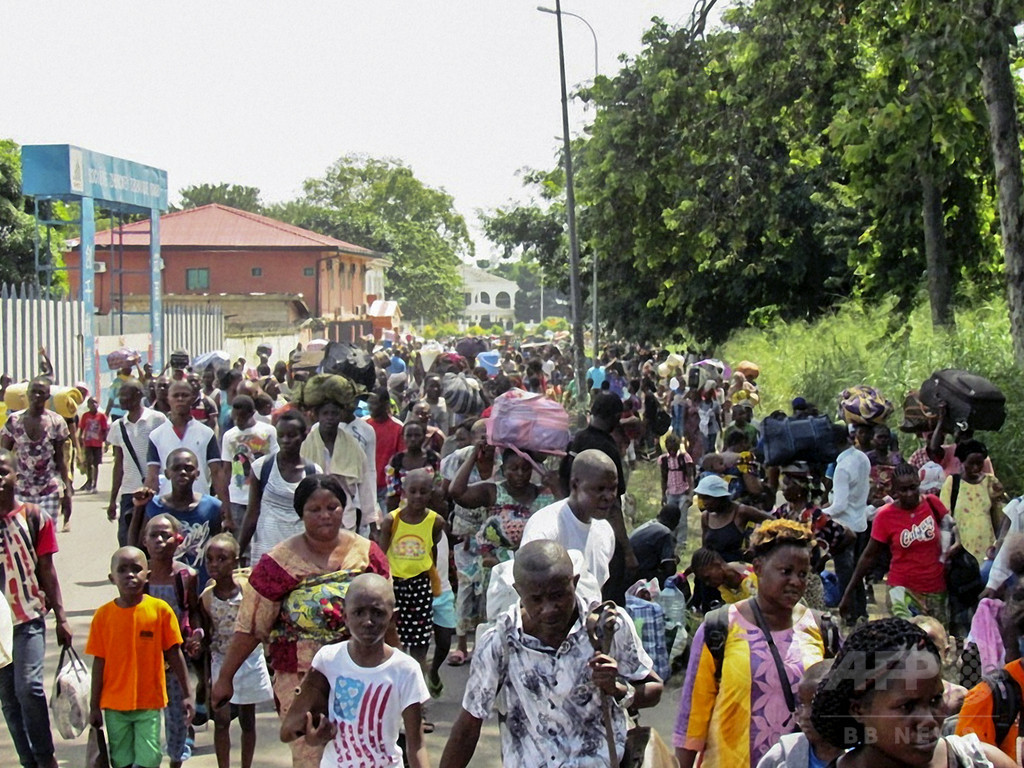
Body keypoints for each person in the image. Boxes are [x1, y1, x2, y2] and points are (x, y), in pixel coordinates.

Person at [212, 475, 390, 768]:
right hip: (301, 677)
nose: (325, 515)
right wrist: (225, 679)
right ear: (301, 513)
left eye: (332, 507)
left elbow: (387, 616)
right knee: (312, 755)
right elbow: (251, 626)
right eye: (314, 509)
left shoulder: (367, 555)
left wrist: (396, 668)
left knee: (363, 753)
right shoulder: (278, 563)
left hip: (362, 672)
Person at [441, 540, 663, 767]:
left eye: (558, 595)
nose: (548, 609)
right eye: (536, 599)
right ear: (519, 591)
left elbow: (654, 689)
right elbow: (468, 727)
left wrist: (618, 689)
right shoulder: (500, 641)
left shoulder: (608, 627)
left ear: (574, 583)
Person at [674, 519, 832, 768]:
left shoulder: (822, 629)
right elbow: (693, 715)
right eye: (786, 571)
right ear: (758, 567)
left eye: (803, 574)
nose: (796, 581)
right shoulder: (719, 627)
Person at [811, 617, 1014, 768]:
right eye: (907, 706)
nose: (928, 720)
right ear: (859, 710)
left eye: (935, 700)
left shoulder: (983, 762)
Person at [281, 573, 430, 768]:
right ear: (345, 616)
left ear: (393, 616)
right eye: (359, 612)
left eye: (378, 613)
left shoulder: (405, 669)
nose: (368, 621)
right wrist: (314, 737)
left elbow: (416, 744)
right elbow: (291, 729)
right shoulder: (328, 660)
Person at [86, 546, 194, 768]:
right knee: (121, 760)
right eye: (122, 570)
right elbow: (99, 662)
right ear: (111, 577)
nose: (130, 575)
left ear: (148, 576)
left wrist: (187, 694)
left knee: (150, 758)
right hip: (115, 705)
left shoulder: (160, 611)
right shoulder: (103, 616)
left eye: (136, 569)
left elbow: (174, 654)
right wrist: (94, 706)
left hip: (149, 702)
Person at [0, 448, 70, 768]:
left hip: (28, 617)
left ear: (16, 475)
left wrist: (61, 617)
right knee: (10, 700)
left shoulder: (34, 517)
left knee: (28, 687)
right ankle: (29, 761)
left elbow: (47, 571)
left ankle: (46, 756)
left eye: (3, 472)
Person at [189, 534, 272, 768]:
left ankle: (246, 764)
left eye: (222, 559)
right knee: (221, 719)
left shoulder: (248, 591)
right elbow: (205, 628)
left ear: (236, 562)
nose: (214, 564)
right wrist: (198, 640)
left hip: (249, 660)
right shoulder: (206, 597)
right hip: (221, 659)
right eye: (210, 559)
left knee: (247, 720)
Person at [839, 463, 955, 626]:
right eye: (903, 490)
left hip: (935, 589)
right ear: (894, 491)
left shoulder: (933, 504)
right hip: (901, 589)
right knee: (906, 641)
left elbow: (950, 529)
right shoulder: (885, 516)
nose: (909, 494)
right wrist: (848, 593)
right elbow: (868, 556)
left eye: (913, 488)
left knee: (935, 641)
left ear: (919, 484)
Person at [559, 392, 636, 605]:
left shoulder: (577, 440)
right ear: (616, 417)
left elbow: (562, 481)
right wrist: (627, 551)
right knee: (609, 592)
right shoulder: (607, 448)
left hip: (572, 525)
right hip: (601, 530)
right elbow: (612, 506)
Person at [142, 514, 201, 767]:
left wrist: (197, 635)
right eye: (154, 535)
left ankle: (176, 759)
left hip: (177, 658)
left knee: (177, 718)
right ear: (144, 542)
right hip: (146, 659)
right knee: (147, 718)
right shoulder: (139, 579)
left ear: (178, 540)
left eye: (165, 534)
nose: (159, 540)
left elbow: (194, 611)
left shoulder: (186, 576)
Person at [439, 418, 498, 665]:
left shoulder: (504, 459)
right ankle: (461, 644)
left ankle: (484, 644)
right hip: (465, 534)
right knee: (465, 587)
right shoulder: (459, 458)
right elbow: (447, 491)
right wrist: (474, 455)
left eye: (489, 435)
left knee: (489, 589)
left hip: (494, 536)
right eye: (480, 435)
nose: (485, 439)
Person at [520, 449, 618, 595]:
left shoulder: (605, 532)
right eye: (600, 489)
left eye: (613, 488)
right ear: (574, 485)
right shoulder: (545, 527)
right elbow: (528, 589)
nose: (609, 497)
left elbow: (596, 592)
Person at [380, 469, 444, 680]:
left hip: (420, 586)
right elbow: (381, 556)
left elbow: (431, 549)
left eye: (423, 492)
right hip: (394, 586)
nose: (418, 496)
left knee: (419, 642)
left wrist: (431, 577)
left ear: (430, 493)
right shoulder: (391, 521)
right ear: (404, 492)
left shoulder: (436, 521)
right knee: (393, 639)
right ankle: (394, 684)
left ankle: (418, 691)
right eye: (413, 491)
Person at [450, 444, 557, 567]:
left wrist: (555, 485)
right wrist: (474, 454)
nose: (520, 473)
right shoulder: (493, 492)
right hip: (496, 568)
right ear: (503, 470)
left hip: (534, 566)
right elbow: (456, 492)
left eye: (526, 468)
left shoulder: (543, 494)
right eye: (513, 468)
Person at [130, 447, 223, 586]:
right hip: (162, 586)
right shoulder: (154, 506)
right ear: (167, 473)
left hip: (201, 585)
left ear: (197, 473)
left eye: (188, 468)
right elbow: (136, 547)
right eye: (176, 468)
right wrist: (139, 507)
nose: (183, 472)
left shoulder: (212, 507)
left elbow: (219, 550)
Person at [238, 411, 320, 564]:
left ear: (304, 436)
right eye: (281, 435)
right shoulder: (262, 467)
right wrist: (238, 552)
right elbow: (252, 513)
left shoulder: (313, 472)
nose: (286, 440)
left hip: (299, 556)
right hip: (266, 554)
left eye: (291, 435)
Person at [773, 465, 853, 611]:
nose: (783, 488)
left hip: (807, 580)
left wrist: (826, 557)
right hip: (783, 578)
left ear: (800, 489)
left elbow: (848, 535)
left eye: (787, 484)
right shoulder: (783, 511)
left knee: (810, 622)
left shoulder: (814, 515)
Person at [299, 379, 371, 535]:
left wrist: (370, 519)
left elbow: (365, 484)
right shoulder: (306, 445)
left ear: (341, 415)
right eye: (325, 413)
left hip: (345, 515)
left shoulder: (353, 447)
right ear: (317, 416)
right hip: (314, 514)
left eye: (334, 413)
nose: (330, 418)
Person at [146, 379, 226, 519]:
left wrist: (226, 507)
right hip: (167, 505)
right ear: (168, 398)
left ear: (193, 399)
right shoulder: (156, 435)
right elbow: (152, 476)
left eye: (185, 395)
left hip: (200, 506)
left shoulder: (206, 433)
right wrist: (147, 508)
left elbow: (217, 472)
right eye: (176, 396)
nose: (180, 399)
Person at [0, 376, 72, 529]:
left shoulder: (56, 422)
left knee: (46, 537)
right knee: (22, 535)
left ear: (47, 396)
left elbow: (61, 459)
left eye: (41, 393)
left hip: (48, 488)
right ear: (27, 393)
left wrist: (67, 490)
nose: (37, 396)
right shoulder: (14, 421)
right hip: (20, 489)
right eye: (34, 392)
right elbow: (4, 456)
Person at [821, 424, 872, 625]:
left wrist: (818, 513)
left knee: (845, 573)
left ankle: (849, 614)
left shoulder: (842, 468)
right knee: (857, 573)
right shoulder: (862, 458)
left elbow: (839, 505)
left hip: (845, 527)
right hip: (861, 523)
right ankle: (861, 611)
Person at [106, 380, 167, 546]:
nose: (122, 399)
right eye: (120, 396)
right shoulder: (118, 426)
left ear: (139, 395)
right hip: (129, 493)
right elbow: (118, 464)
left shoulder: (157, 419)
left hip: (155, 491)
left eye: (126, 395)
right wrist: (113, 500)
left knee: (154, 543)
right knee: (127, 542)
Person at [755, 660, 843, 768]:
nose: (805, 715)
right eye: (801, 704)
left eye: (814, 705)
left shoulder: (863, 758)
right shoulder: (781, 757)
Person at [218, 394, 278, 532]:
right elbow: (226, 471)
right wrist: (226, 507)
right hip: (238, 498)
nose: (238, 421)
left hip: (263, 498)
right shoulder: (229, 436)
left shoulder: (268, 431)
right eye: (235, 417)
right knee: (240, 541)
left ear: (252, 413)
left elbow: (274, 462)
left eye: (242, 417)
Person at [940, 439, 1004, 563]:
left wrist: (1000, 543)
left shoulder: (990, 482)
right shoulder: (952, 483)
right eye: (971, 463)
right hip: (961, 550)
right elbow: (945, 517)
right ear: (962, 462)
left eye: (979, 463)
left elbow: (999, 516)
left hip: (988, 547)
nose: (976, 468)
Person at [365, 386, 405, 519]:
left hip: (387, 488)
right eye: (369, 402)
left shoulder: (398, 428)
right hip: (366, 486)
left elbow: (401, 459)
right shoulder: (364, 425)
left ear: (385, 404)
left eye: (375, 403)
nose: (371, 407)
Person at [386, 421, 442, 512]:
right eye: (409, 435)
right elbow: (392, 494)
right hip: (404, 513)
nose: (413, 439)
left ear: (424, 437)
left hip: (429, 511)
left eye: (417, 435)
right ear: (403, 437)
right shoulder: (396, 461)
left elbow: (439, 488)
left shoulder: (433, 458)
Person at [630, 503, 682, 586]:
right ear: (676, 523)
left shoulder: (649, 524)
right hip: (638, 574)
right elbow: (670, 569)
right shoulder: (665, 533)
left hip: (627, 569)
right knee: (677, 582)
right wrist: (674, 561)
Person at [686, 546, 758, 604]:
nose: (707, 583)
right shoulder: (724, 585)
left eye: (707, 578)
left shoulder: (753, 578)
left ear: (717, 564)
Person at [659, 432, 695, 525]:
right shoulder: (664, 460)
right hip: (671, 493)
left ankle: (681, 539)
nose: (672, 452)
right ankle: (672, 537)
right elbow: (664, 478)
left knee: (682, 519)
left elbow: (690, 476)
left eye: (674, 449)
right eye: (669, 449)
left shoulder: (684, 458)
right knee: (670, 519)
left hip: (684, 492)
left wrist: (691, 494)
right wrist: (663, 495)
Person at [77, 396, 109, 492]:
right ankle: (89, 482)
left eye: (95, 402)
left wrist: (106, 442)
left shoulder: (102, 416)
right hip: (88, 443)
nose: (94, 405)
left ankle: (94, 484)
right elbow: (82, 429)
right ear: (88, 405)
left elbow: (104, 430)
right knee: (88, 463)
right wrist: (79, 440)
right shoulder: (85, 416)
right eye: (91, 403)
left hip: (97, 444)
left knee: (96, 464)